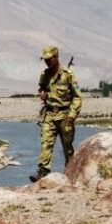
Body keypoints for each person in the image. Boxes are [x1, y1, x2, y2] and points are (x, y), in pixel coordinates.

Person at [30, 45, 82, 183]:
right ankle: (43, 172)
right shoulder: (44, 75)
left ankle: (70, 172)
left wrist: (72, 115)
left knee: (67, 147)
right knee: (46, 143)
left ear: (56, 57)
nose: (46, 62)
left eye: (49, 59)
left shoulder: (68, 75)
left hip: (65, 115)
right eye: (45, 59)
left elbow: (77, 97)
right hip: (49, 115)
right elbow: (41, 87)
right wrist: (42, 92)